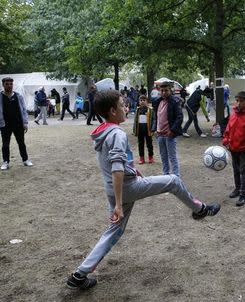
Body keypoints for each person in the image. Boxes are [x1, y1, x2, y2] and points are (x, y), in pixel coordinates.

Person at [66, 90, 220, 290]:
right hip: (125, 189)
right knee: (173, 180)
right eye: (122, 105)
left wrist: (132, 170)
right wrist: (119, 205)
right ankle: (200, 209)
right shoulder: (117, 134)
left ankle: (79, 275)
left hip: (113, 189)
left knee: (113, 232)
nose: (126, 108)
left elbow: (117, 163)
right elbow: (116, 168)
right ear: (112, 111)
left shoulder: (103, 130)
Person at [0, 77, 33, 170]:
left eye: (11, 84)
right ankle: (6, 162)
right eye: (7, 84)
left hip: (18, 124)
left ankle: (25, 160)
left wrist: (25, 123)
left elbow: (23, 110)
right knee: (5, 144)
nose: (9, 86)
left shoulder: (18, 96)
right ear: (3, 85)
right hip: (5, 125)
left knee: (21, 143)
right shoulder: (0, 97)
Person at [151, 81, 183, 177]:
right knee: (163, 156)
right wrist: (154, 129)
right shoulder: (158, 102)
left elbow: (179, 117)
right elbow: (156, 117)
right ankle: (166, 175)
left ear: (170, 90)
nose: (164, 92)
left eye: (166, 90)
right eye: (162, 90)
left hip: (169, 134)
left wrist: (172, 130)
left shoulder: (175, 101)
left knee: (172, 156)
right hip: (160, 134)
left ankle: (176, 176)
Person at [133, 95, 155, 164]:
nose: (142, 102)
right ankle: (141, 158)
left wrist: (153, 128)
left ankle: (150, 157)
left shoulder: (150, 110)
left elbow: (154, 119)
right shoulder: (137, 110)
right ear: (139, 102)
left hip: (148, 130)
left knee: (149, 144)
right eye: (141, 100)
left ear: (147, 102)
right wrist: (134, 130)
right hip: (140, 130)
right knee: (140, 144)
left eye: (144, 100)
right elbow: (135, 120)